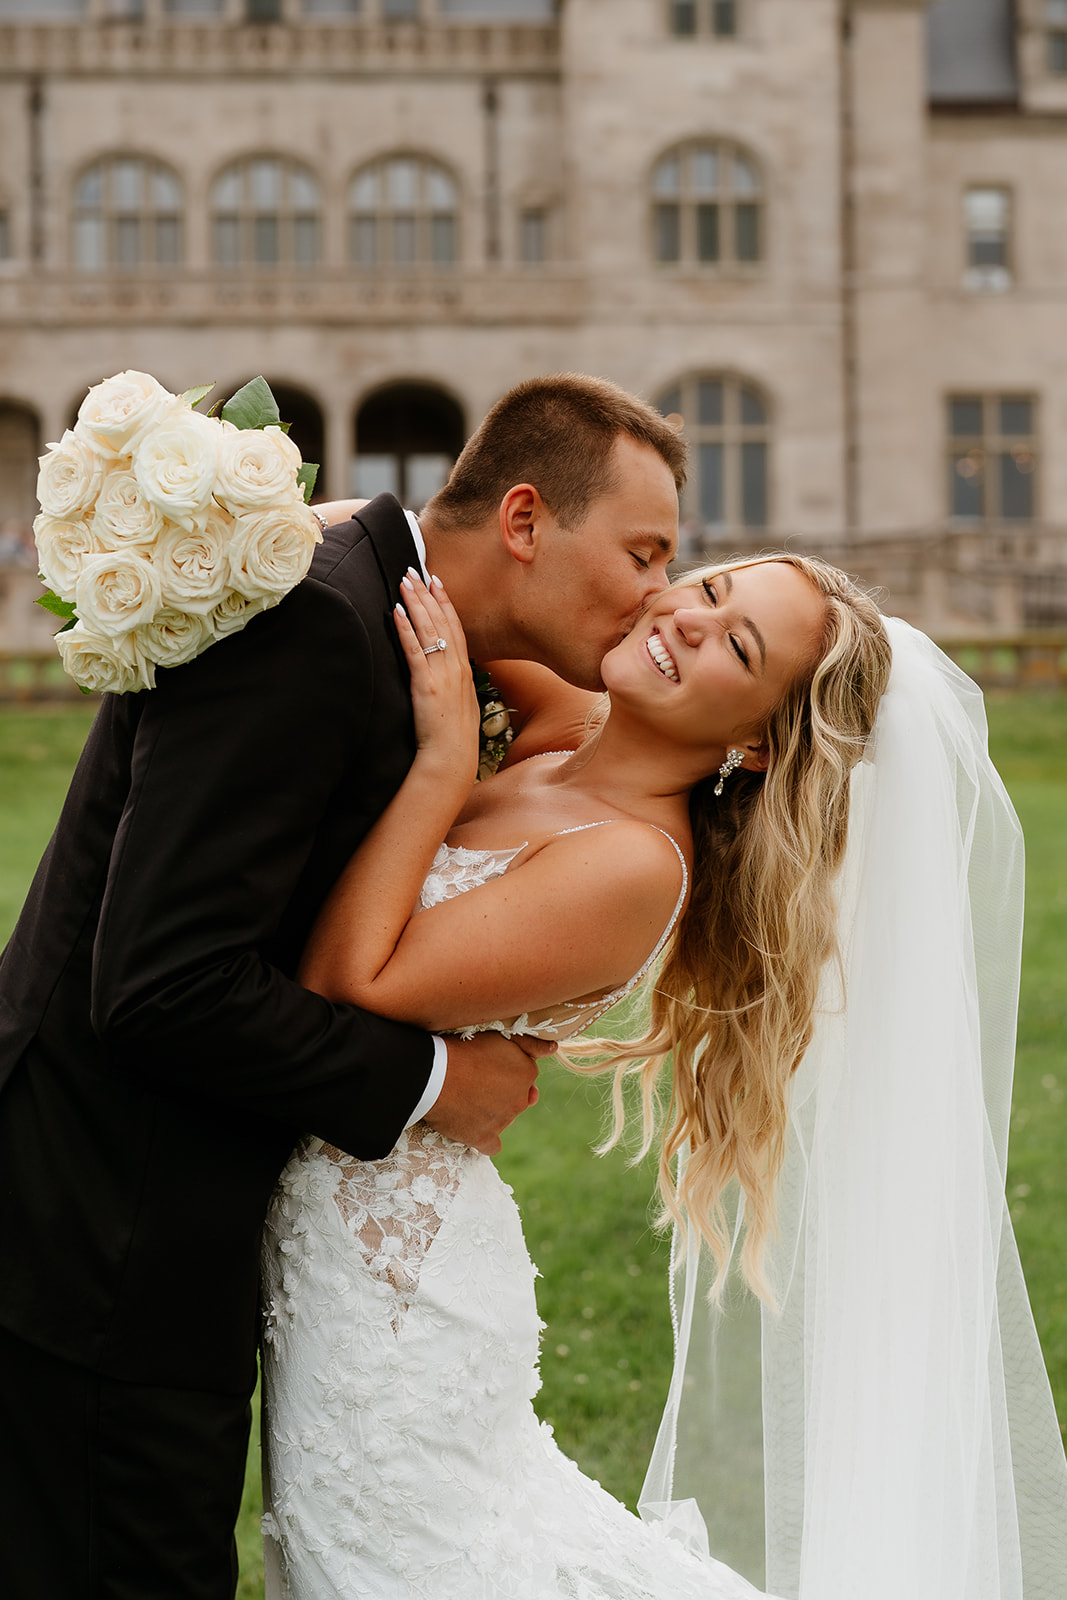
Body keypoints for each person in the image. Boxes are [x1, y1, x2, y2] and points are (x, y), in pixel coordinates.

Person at [0, 373, 684, 1600]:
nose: (659, 592)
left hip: (152, 1237)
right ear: (523, 521)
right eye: (643, 550)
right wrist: (435, 1080)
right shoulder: (318, 622)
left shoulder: (398, 616)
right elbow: (158, 982)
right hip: (100, 1234)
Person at [262, 557, 1067, 1598]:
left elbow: (344, 979)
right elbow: (447, 578)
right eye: (708, 586)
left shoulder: (634, 864)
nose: (688, 618)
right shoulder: (568, 719)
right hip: (346, 1235)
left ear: (755, 743)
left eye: (736, 644)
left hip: (393, 1291)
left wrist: (439, 765)